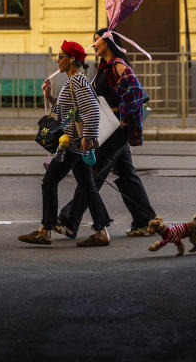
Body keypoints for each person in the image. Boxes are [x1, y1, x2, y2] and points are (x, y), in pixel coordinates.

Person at [54, 28, 157, 239]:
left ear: (107, 43)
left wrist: (122, 119)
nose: (94, 45)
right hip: (111, 130)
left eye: (97, 41)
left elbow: (135, 92)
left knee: (91, 175)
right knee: (127, 176)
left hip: (115, 131)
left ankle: (69, 221)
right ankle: (145, 221)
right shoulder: (104, 68)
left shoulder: (117, 65)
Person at [18, 40, 113, 247]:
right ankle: (101, 231)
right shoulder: (73, 81)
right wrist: (50, 96)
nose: (57, 61)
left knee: (48, 182)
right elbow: (65, 113)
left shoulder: (77, 81)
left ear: (71, 60)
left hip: (72, 145)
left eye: (60, 57)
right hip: (75, 144)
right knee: (88, 187)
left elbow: (92, 111)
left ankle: (45, 230)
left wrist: (87, 137)